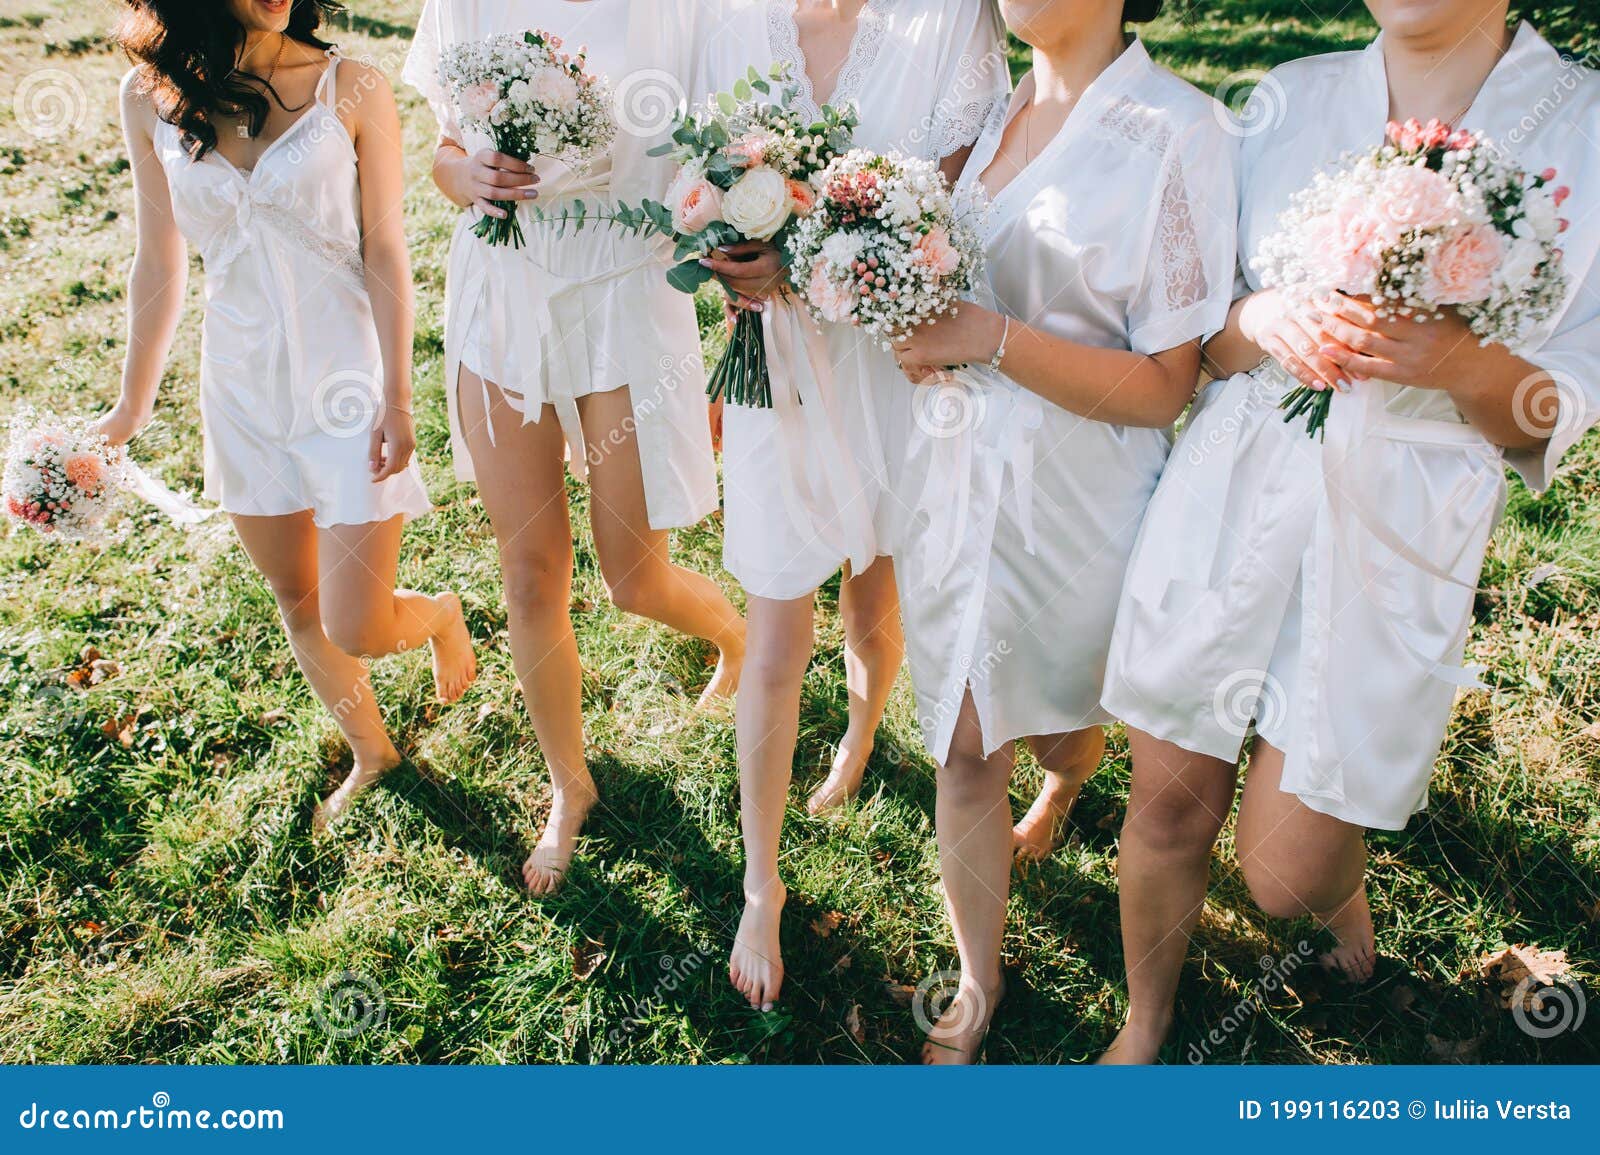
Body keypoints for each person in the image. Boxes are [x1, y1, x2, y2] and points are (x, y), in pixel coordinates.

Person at [1100, 0, 1600, 1063]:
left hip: (1395, 524)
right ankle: (1144, 1020)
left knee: (1279, 873)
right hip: (1230, 493)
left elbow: (1559, 411)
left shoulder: (1582, 125)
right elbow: (1205, 334)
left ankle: (1336, 901)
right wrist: (1262, 318)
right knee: (1166, 804)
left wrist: (1459, 363)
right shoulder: (1294, 93)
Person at [889, 0, 1239, 1061]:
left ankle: (1069, 784)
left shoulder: (1181, 130)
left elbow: (1163, 386)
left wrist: (989, 336)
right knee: (961, 743)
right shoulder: (987, 113)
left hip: (1089, 499)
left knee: (1069, 715)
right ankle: (977, 974)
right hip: (954, 481)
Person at [698, 0, 1011, 1015]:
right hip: (778, 372)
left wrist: (845, 256)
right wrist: (726, 254)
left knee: (880, 589)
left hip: (902, 368)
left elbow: (970, 204)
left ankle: (865, 728)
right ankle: (760, 882)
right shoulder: (729, 22)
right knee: (777, 620)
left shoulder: (949, 20)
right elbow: (701, 180)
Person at [102, 0, 477, 832]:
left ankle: (441, 613)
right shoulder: (149, 94)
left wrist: (396, 395)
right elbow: (157, 259)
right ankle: (372, 751)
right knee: (298, 600)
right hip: (239, 385)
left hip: (348, 383)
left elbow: (386, 248)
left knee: (361, 621)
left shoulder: (354, 84)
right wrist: (131, 405)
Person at [403, 0, 747, 895]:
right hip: (501, 294)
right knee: (530, 572)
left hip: (623, 293)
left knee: (634, 575)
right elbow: (439, 152)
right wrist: (467, 175)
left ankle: (737, 639)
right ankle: (570, 783)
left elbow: (732, 157)